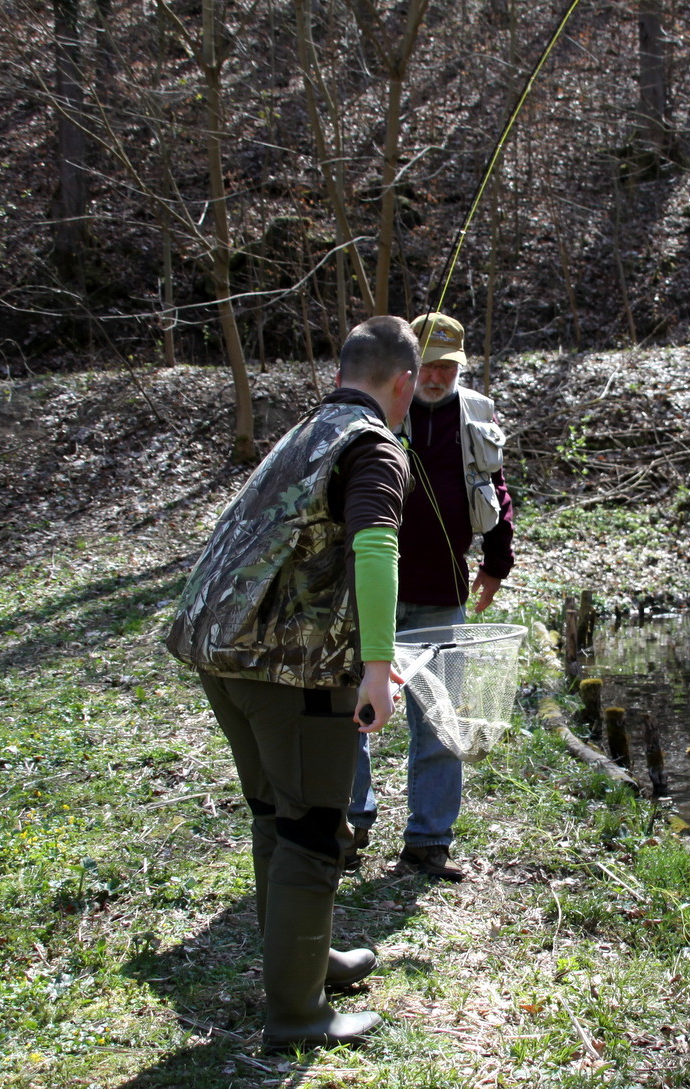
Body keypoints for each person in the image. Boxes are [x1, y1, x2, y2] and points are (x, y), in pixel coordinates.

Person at [166, 316, 420, 1049]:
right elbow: (376, 546)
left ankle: (309, 961)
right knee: (312, 830)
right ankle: (299, 1014)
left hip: (221, 654)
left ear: (344, 372)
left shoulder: (308, 431)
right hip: (289, 671)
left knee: (277, 813)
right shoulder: (373, 446)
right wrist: (378, 665)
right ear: (402, 384)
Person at [349, 312, 515, 882]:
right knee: (354, 715)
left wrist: (496, 565)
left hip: (443, 591)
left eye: (449, 366)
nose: (437, 377)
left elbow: (495, 492)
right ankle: (348, 829)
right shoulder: (376, 412)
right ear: (408, 369)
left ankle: (428, 843)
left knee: (441, 724)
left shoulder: (477, 414)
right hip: (370, 593)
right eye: (429, 365)